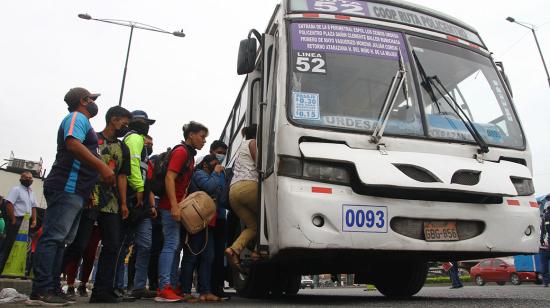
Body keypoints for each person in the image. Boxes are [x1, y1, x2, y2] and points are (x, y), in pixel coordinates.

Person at [28, 87, 116, 306]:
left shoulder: (83, 121)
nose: (95, 103)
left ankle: (52, 287)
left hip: (76, 191)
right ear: (84, 101)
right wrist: (103, 167)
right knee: (54, 238)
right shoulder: (77, 117)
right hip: (66, 187)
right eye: (92, 99)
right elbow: (73, 144)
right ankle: (41, 289)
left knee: (62, 241)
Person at [82, 106, 133, 303]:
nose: (125, 127)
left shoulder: (123, 148)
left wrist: (123, 203)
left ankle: (101, 290)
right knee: (80, 243)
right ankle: (53, 283)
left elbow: (122, 176)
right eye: (124, 122)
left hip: (111, 204)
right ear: (113, 119)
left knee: (111, 246)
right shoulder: (92, 138)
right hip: (89, 198)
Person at [155, 121, 207, 302]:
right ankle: (164, 288)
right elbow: (170, 178)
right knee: (171, 245)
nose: (204, 141)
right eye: (202, 136)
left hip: (176, 206)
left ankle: (170, 285)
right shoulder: (182, 152)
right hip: (170, 207)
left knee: (175, 246)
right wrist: (174, 205)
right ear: (191, 135)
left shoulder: (189, 155)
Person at [114, 110, 157, 300]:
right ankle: (116, 286)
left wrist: (150, 204)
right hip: (133, 198)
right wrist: (139, 190)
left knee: (145, 246)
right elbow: (130, 168)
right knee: (123, 244)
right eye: (143, 122)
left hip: (143, 204)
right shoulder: (134, 138)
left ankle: (139, 286)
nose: (146, 125)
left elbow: (145, 177)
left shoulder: (143, 148)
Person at [180, 154, 224, 302]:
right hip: (196, 221)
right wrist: (217, 172)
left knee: (208, 257)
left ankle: (205, 291)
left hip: (208, 223)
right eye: (214, 162)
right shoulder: (199, 174)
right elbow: (209, 187)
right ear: (205, 164)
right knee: (191, 256)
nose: (218, 164)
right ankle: (185, 291)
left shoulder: (212, 176)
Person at [225, 124, 258, 272]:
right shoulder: (253, 142)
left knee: (253, 226)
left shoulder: (240, 149)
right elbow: (260, 164)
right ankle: (258, 252)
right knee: (272, 218)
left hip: (233, 192)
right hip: (249, 187)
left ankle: (234, 250)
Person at [0, 171, 38, 272]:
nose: (29, 179)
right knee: (10, 245)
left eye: (30, 178)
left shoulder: (31, 192)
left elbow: (34, 207)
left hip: (26, 222)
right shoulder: (16, 190)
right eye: (26, 177)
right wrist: (13, 218)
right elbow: (9, 203)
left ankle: (15, 270)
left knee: (22, 247)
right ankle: (1, 268)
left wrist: (34, 220)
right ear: (21, 179)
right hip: (16, 220)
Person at [207, 141, 230, 299]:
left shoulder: (224, 172)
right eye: (219, 152)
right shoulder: (205, 169)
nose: (221, 155)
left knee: (219, 255)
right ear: (212, 151)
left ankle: (218, 288)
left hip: (221, 217)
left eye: (223, 152)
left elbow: (224, 196)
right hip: (207, 218)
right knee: (208, 255)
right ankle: (206, 288)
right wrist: (215, 173)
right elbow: (209, 188)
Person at [540, 198, 550, 287]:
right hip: (545, 243)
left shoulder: (544, 216)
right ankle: (545, 282)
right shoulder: (544, 216)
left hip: (544, 244)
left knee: (544, 264)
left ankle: (545, 282)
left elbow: (543, 230)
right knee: (544, 264)